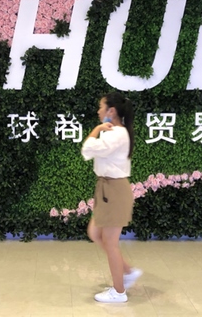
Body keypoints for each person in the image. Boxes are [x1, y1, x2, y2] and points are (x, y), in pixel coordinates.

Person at [81, 91, 143, 303]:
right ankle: (127, 272)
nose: (99, 111)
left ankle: (118, 292)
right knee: (95, 233)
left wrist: (97, 129)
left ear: (112, 111)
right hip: (107, 189)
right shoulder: (116, 132)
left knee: (110, 242)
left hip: (114, 191)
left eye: (101, 107)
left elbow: (88, 149)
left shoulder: (115, 134)